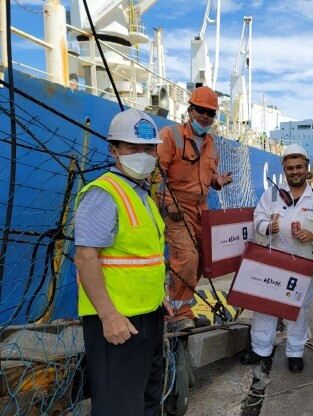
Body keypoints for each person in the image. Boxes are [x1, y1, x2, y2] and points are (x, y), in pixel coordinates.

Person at [74, 109, 174, 415]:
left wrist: (161, 299)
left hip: (149, 317)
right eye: (132, 148)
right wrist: (108, 317)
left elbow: (144, 258)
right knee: (119, 407)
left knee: (146, 400)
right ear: (114, 150)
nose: (142, 155)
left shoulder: (142, 194)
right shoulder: (105, 194)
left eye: (148, 148)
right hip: (119, 324)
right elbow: (85, 257)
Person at [241, 144, 313, 373]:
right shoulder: (271, 195)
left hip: (303, 263)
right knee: (265, 307)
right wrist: (267, 227)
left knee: (298, 310)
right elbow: (257, 220)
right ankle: (261, 348)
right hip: (274, 261)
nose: (295, 171)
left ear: (307, 168)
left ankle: (295, 352)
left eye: (299, 167)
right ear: (284, 169)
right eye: (290, 168)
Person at [156, 86, 233, 330]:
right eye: (200, 110)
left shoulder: (212, 145)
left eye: (210, 113)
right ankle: (176, 317)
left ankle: (181, 308)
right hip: (177, 208)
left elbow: (204, 175)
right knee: (187, 258)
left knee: (203, 260)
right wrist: (169, 203)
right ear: (190, 110)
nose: (205, 116)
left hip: (201, 211)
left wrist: (217, 180)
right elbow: (157, 174)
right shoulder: (170, 136)